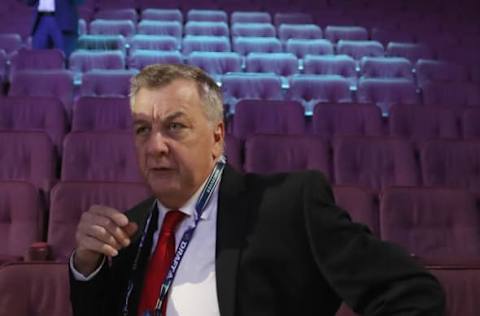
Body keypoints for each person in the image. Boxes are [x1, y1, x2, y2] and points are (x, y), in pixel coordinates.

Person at [69, 64, 445, 316]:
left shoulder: (287, 206)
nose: (155, 146)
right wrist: (87, 267)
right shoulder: (128, 230)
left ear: (217, 137)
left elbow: (412, 293)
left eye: (175, 127)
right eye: (142, 130)